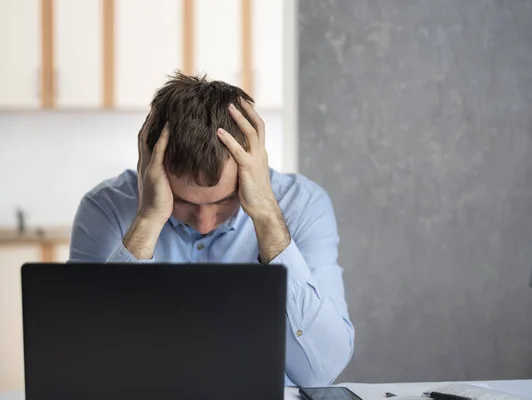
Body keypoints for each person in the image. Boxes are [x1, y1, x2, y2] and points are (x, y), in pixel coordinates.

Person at [69, 72, 355, 387]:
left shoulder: (303, 205)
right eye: (181, 201)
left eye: (226, 200)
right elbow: (82, 361)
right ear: (150, 165)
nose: (204, 223)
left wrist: (267, 219)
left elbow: (321, 370)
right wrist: (149, 217)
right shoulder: (105, 207)